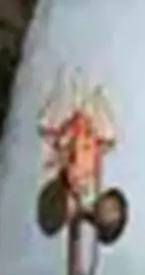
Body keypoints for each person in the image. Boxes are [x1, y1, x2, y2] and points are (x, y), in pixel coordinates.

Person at [35, 69, 126, 245]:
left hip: (69, 122)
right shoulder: (87, 187)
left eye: (109, 214)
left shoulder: (57, 169)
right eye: (113, 211)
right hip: (82, 124)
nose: (110, 211)